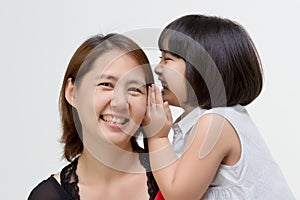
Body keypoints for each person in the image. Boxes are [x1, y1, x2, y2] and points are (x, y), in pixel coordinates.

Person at [144, 14, 295, 199]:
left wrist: (157, 136)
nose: (158, 68)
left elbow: (178, 195)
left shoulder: (215, 123)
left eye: (167, 59)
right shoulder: (209, 120)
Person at [28, 33, 160, 200]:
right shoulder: (47, 196)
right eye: (106, 84)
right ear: (72, 92)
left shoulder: (179, 183)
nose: (120, 103)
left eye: (134, 89)